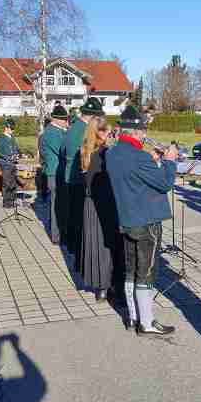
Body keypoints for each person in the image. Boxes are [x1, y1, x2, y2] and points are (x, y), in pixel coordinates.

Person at [106, 105, 179, 337]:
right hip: (147, 221)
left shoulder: (112, 153)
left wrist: (153, 160)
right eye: (143, 131)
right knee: (146, 272)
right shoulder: (139, 157)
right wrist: (169, 161)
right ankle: (146, 323)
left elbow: (134, 177)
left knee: (131, 270)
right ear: (136, 132)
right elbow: (165, 183)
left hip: (126, 219)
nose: (145, 135)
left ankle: (133, 317)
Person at [77, 116, 123, 302]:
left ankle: (100, 288)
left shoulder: (85, 150)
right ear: (101, 132)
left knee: (95, 244)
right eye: (108, 132)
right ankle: (111, 285)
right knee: (107, 244)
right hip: (105, 202)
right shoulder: (105, 152)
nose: (110, 135)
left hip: (89, 203)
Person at [63, 97, 105, 255]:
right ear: (93, 116)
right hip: (79, 178)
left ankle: (71, 245)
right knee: (78, 217)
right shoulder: (84, 130)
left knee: (72, 213)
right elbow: (88, 155)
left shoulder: (73, 126)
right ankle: (76, 247)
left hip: (70, 175)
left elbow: (63, 150)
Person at [40, 105, 69, 245]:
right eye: (64, 120)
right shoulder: (52, 132)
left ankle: (57, 232)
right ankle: (57, 236)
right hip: (55, 173)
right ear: (56, 119)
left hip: (55, 172)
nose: (66, 122)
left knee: (57, 204)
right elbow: (63, 151)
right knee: (57, 206)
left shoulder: (54, 131)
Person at [0, 117, 21, 208]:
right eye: (11, 128)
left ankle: (13, 200)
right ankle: (7, 202)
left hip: (13, 162)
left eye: (13, 129)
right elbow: (0, 152)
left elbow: (16, 148)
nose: (13, 130)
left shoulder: (12, 137)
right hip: (5, 163)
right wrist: (9, 157)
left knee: (13, 182)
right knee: (7, 183)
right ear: (6, 128)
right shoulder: (1, 138)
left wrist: (19, 154)